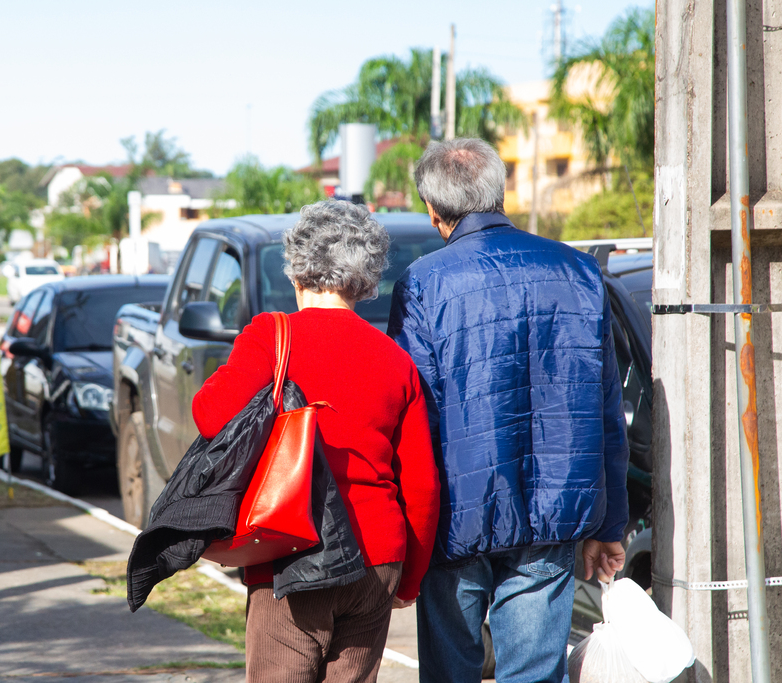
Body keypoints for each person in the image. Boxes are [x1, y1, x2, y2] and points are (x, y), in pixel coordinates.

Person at [387, 138, 630, 683]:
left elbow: (411, 413)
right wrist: (611, 522)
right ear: (499, 193)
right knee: (536, 675)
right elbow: (605, 406)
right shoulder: (579, 271)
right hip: (553, 510)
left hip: (455, 515)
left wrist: (403, 527)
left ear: (434, 211)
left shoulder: (423, 282)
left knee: (451, 674)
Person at [192, 200, 440, 683]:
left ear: (296, 267)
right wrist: (409, 578)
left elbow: (209, 416)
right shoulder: (395, 359)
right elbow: (423, 486)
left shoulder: (271, 335)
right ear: (365, 278)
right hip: (377, 557)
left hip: (291, 549)